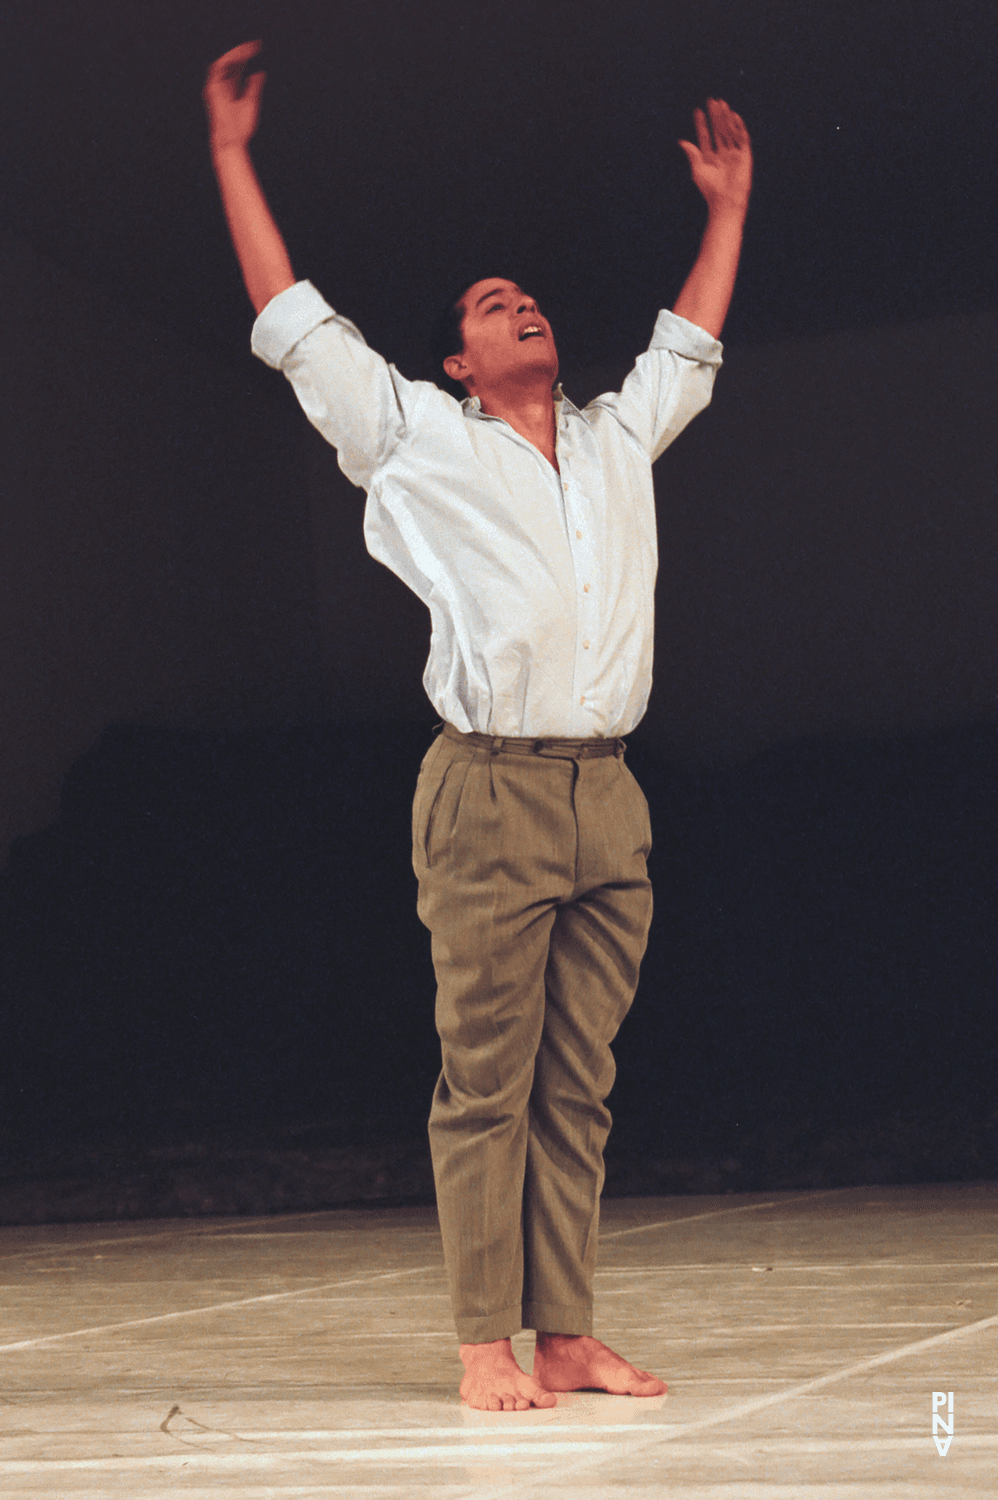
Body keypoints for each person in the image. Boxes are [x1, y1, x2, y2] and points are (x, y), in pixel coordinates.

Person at [204, 39, 752, 1413]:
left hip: (605, 795)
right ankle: (478, 1342)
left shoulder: (618, 442)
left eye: (527, 296)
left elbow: (686, 344)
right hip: (490, 790)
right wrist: (230, 158)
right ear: (457, 362)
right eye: (488, 306)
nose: (518, 305)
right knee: (486, 1083)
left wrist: (725, 212)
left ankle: (563, 1331)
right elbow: (296, 325)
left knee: (579, 1086)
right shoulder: (420, 443)